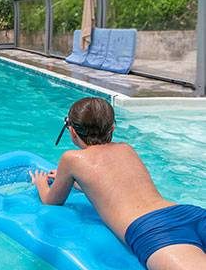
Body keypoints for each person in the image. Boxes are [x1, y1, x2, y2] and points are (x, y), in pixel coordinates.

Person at [29, 97, 205, 270]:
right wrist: (79, 184)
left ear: (73, 132)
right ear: (112, 127)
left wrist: (40, 182)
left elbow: (52, 201)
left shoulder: (72, 158)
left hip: (153, 230)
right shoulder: (126, 148)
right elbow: (120, 185)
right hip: (190, 214)